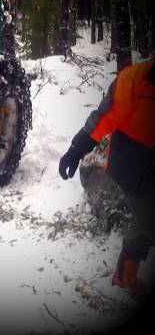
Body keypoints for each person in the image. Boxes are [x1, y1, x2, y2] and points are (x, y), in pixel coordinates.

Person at [58, 58, 155, 291]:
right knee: (150, 224)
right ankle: (124, 277)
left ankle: (125, 275)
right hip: (134, 168)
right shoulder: (136, 78)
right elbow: (104, 117)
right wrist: (76, 149)